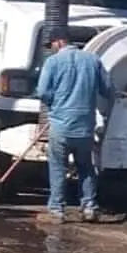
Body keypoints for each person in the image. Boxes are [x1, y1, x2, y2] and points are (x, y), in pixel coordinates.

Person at [35, 27, 113, 223]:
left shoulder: (52, 62)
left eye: (52, 45)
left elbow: (42, 91)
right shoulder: (93, 61)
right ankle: (88, 208)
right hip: (85, 127)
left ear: (59, 42)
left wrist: (55, 103)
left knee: (58, 167)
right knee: (86, 167)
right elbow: (108, 89)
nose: (52, 49)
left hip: (61, 126)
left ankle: (57, 211)